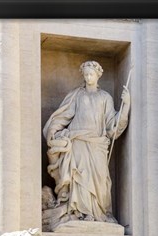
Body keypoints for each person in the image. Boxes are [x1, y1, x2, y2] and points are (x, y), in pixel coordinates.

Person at [43, 60, 130, 223]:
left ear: (98, 75)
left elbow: (113, 125)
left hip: (97, 144)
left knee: (100, 179)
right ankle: (80, 212)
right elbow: (63, 115)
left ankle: (99, 212)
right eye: (86, 74)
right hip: (78, 141)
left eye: (91, 74)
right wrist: (54, 131)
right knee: (79, 177)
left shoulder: (105, 97)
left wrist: (126, 105)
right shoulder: (77, 95)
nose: (89, 77)